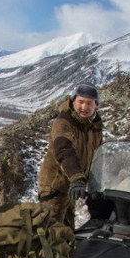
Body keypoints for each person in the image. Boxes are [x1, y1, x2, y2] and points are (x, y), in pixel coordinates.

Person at [37, 83, 105, 229]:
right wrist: (77, 178)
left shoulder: (94, 126)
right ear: (73, 101)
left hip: (72, 186)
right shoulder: (64, 122)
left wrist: (98, 184)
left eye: (89, 103)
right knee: (51, 231)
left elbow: (98, 155)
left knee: (67, 230)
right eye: (81, 102)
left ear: (96, 105)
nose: (84, 107)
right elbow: (64, 149)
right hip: (55, 185)